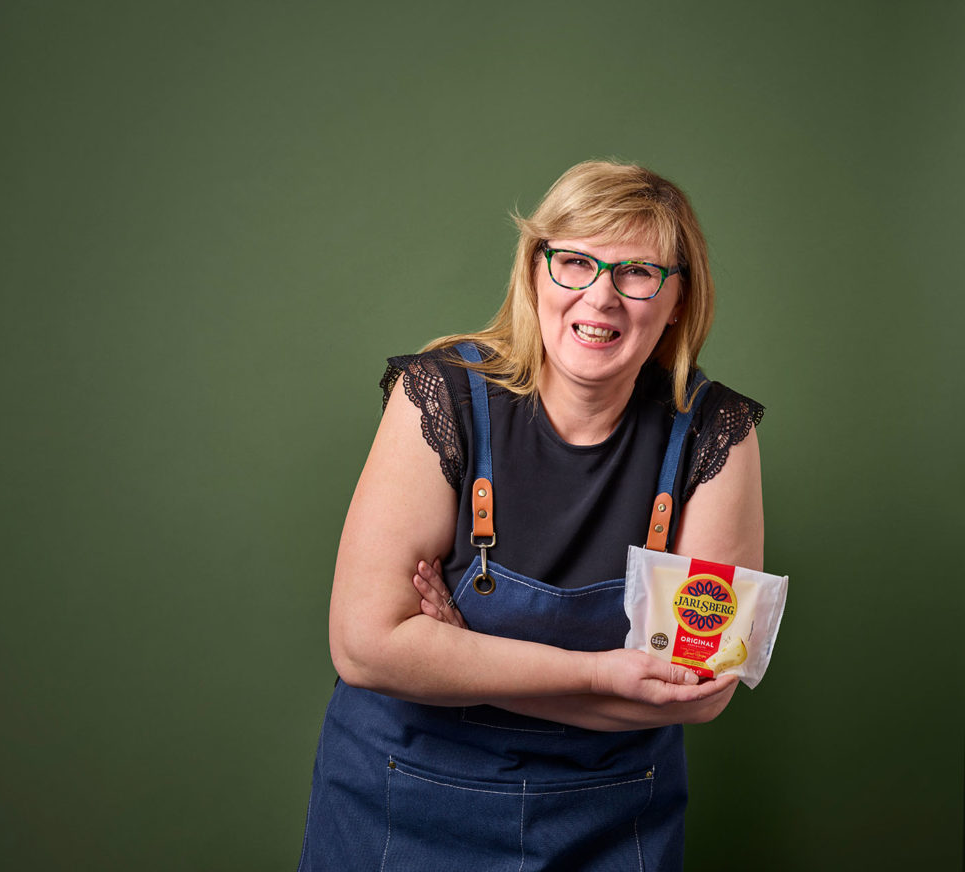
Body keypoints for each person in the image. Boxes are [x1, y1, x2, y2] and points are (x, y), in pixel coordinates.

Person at [298, 160, 765, 871]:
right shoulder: (440, 394)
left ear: (677, 300)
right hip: (401, 799)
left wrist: (459, 655)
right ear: (535, 273)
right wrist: (603, 677)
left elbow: (698, 694)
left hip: (611, 817)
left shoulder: (716, 433)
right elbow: (365, 646)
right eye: (575, 262)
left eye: (638, 273)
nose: (600, 297)